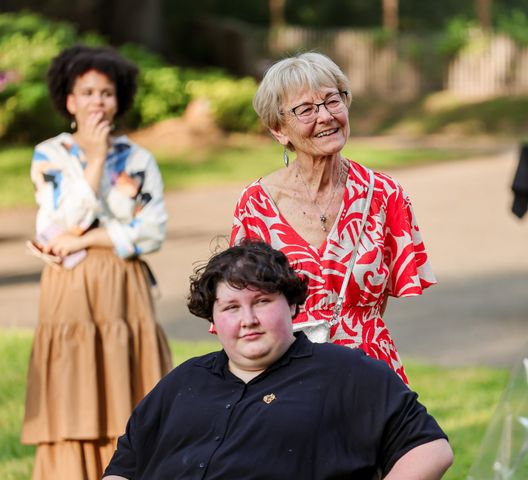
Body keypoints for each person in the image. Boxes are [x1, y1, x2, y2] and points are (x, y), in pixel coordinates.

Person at [102, 240, 453, 480]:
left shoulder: (344, 371)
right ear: (213, 320)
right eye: (230, 308)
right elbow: (124, 468)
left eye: (262, 302)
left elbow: (430, 449)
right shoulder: (184, 382)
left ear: (293, 305)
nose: (248, 319)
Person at [230, 52, 436, 384]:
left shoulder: (385, 195)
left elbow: (379, 302)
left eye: (332, 101)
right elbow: (242, 306)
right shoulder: (256, 205)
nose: (325, 116)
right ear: (279, 130)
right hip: (285, 377)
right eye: (306, 110)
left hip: (369, 373)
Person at [21, 45, 172, 479]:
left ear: (118, 99)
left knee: (129, 391)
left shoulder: (140, 159)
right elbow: (64, 218)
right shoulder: (50, 156)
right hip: (70, 288)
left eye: (106, 93)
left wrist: (94, 239)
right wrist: (97, 158)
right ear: (69, 100)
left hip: (125, 287)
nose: (96, 102)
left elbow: (152, 232)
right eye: (86, 92)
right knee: (74, 382)